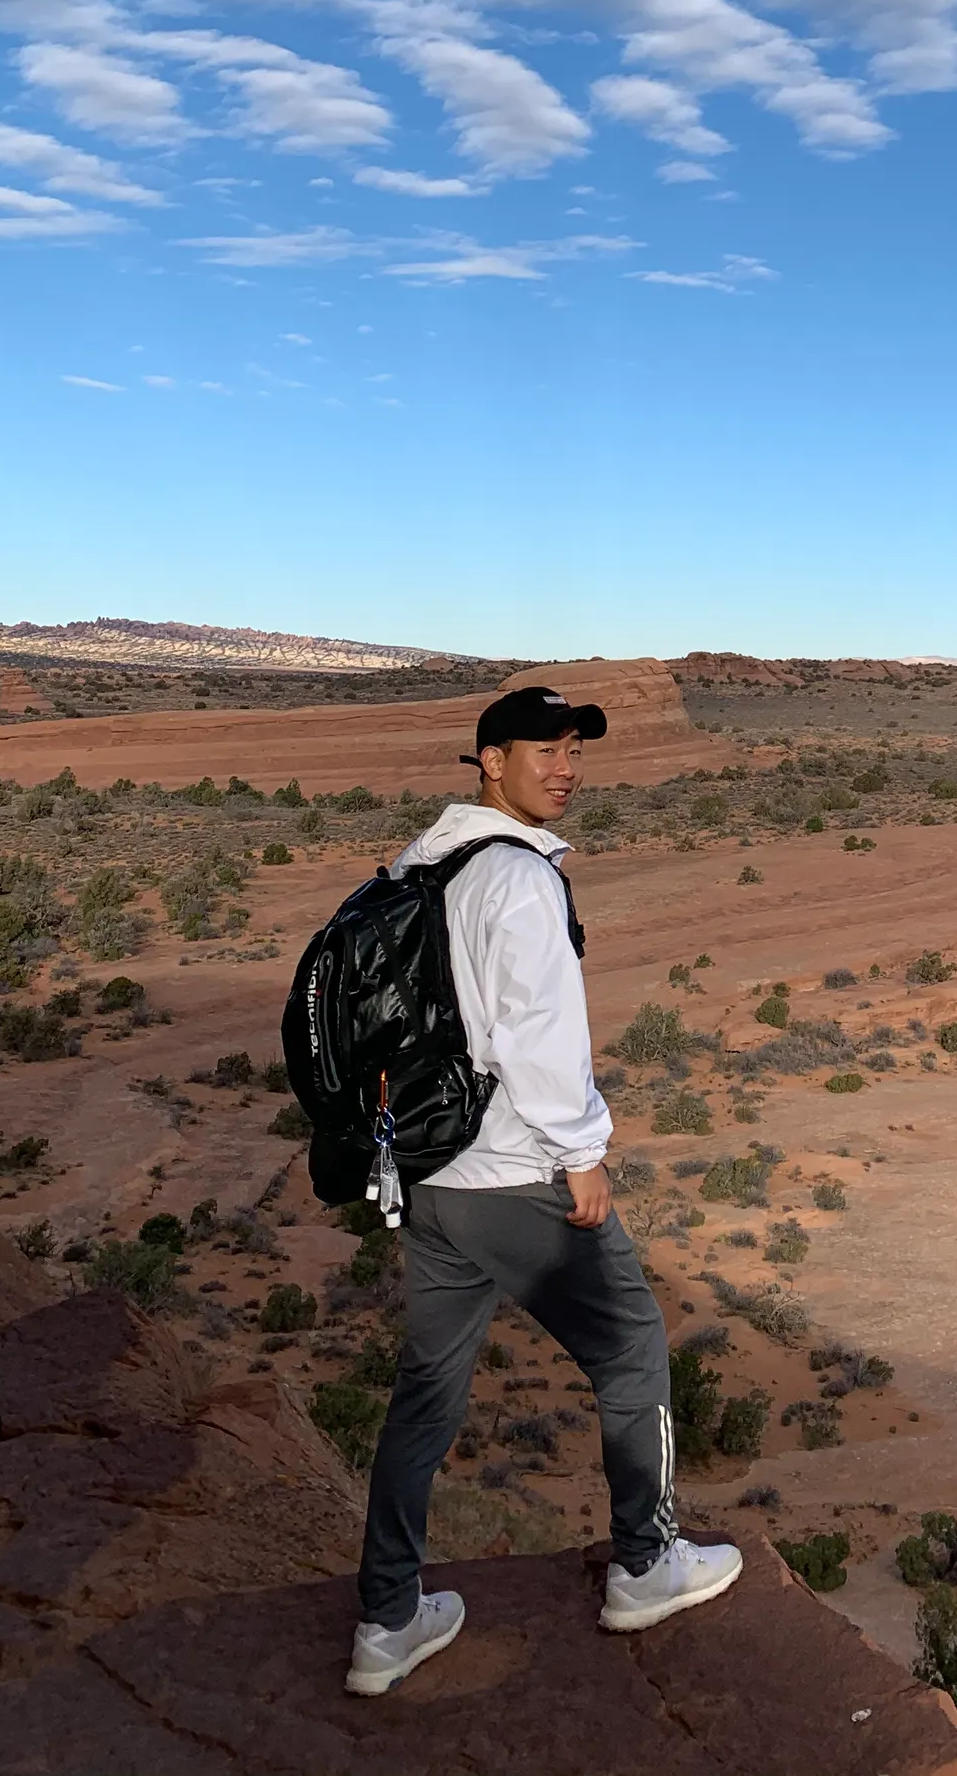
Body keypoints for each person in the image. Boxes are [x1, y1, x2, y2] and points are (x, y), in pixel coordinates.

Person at [346, 683, 742, 1695]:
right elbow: (538, 1035)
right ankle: (646, 1563)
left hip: (428, 1173)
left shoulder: (424, 861)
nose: (565, 768)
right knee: (632, 1344)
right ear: (490, 760)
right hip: (514, 1173)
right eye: (544, 748)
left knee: (426, 1393)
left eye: (575, 749)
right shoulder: (517, 877)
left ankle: (386, 1619)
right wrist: (581, 1151)